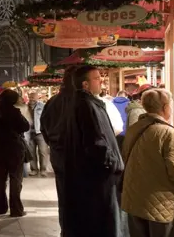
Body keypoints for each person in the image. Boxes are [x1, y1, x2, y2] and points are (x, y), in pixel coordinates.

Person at [121, 89, 174, 237]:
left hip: (134, 199)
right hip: (160, 204)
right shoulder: (168, 133)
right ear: (164, 107)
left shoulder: (134, 128)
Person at [63, 65, 124, 237]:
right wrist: (111, 164)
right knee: (101, 222)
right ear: (85, 85)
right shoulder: (87, 106)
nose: (101, 81)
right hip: (97, 177)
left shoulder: (88, 104)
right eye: (96, 78)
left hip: (94, 175)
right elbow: (95, 142)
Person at [40, 66, 77, 233]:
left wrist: (53, 144)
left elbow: (44, 127)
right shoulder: (81, 101)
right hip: (77, 156)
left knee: (63, 194)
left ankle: (66, 228)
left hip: (58, 153)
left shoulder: (52, 102)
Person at [0, 89, 30, 217]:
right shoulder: (14, 112)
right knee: (15, 178)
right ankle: (16, 209)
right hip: (14, 148)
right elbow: (25, 126)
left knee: (0, 178)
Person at [27, 91, 49, 177]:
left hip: (40, 132)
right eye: (30, 97)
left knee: (43, 152)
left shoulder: (42, 106)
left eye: (33, 97)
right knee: (31, 152)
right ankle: (34, 169)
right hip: (29, 132)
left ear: (37, 98)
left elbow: (47, 118)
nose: (31, 99)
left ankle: (43, 170)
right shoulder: (26, 107)